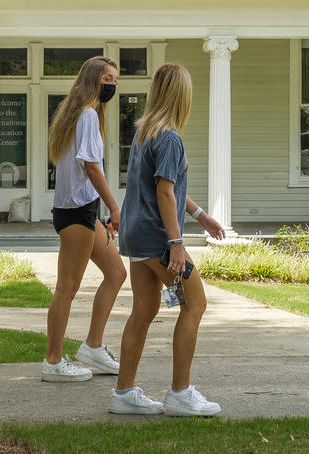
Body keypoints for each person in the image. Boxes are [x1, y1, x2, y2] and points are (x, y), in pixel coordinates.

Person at [110, 63, 226, 417]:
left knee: (144, 310)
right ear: (182, 95)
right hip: (157, 238)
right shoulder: (171, 138)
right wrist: (176, 243)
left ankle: (124, 393)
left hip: (136, 234)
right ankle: (180, 393)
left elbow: (168, 189)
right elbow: (164, 191)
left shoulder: (146, 133)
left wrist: (200, 215)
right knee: (195, 305)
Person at [42, 56, 128, 381]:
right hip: (76, 213)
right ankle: (52, 362)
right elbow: (91, 166)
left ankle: (92, 345)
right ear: (93, 80)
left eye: (115, 80)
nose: (112, 85)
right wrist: (114, 207)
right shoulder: (88, 114)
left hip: (84, 212)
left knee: (116, 272)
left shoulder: (76, 113)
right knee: (67, 288)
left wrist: (101, 210)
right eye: (108, 79)